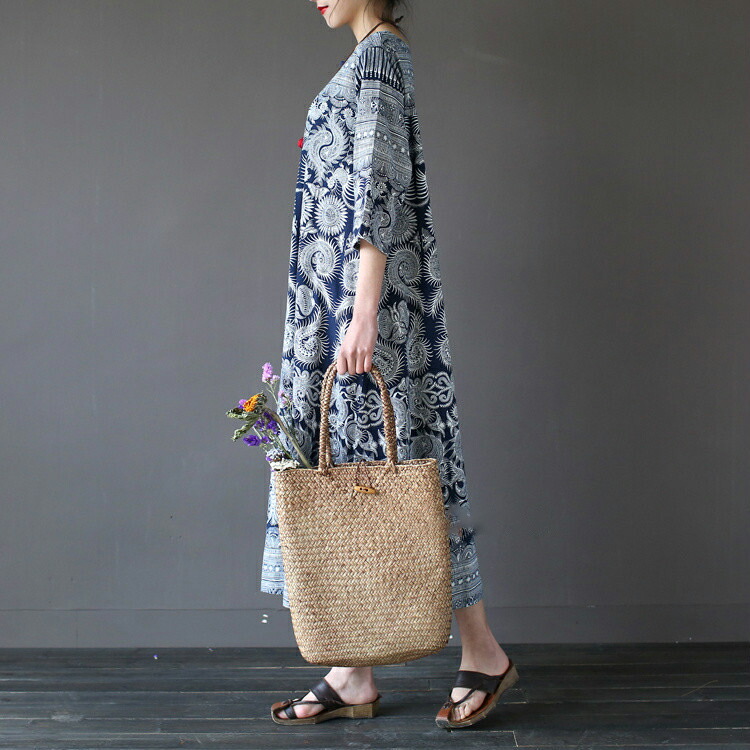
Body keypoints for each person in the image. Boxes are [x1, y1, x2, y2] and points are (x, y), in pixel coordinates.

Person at [263, 0, 519, 730]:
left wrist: (363, 311)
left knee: (399, 474)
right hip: (339, 306)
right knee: (364, 475)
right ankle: (353, 669)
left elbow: (378, 189)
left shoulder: (377, 59)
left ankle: (483, 652)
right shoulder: (376, 57)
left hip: (356, 311)